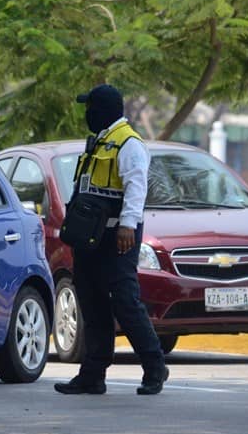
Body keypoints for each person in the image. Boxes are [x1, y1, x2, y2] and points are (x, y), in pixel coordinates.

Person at [54, 84, 169, 396]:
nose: (87, 114)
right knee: (91, 302)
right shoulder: (99, 142)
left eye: (90, 108)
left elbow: (136, 187)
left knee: (125, 301)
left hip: (119, 235)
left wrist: (128, 225)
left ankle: (154, 366)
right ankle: (93, 374)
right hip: (90, 237)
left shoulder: (129, 144)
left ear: (102, 109)